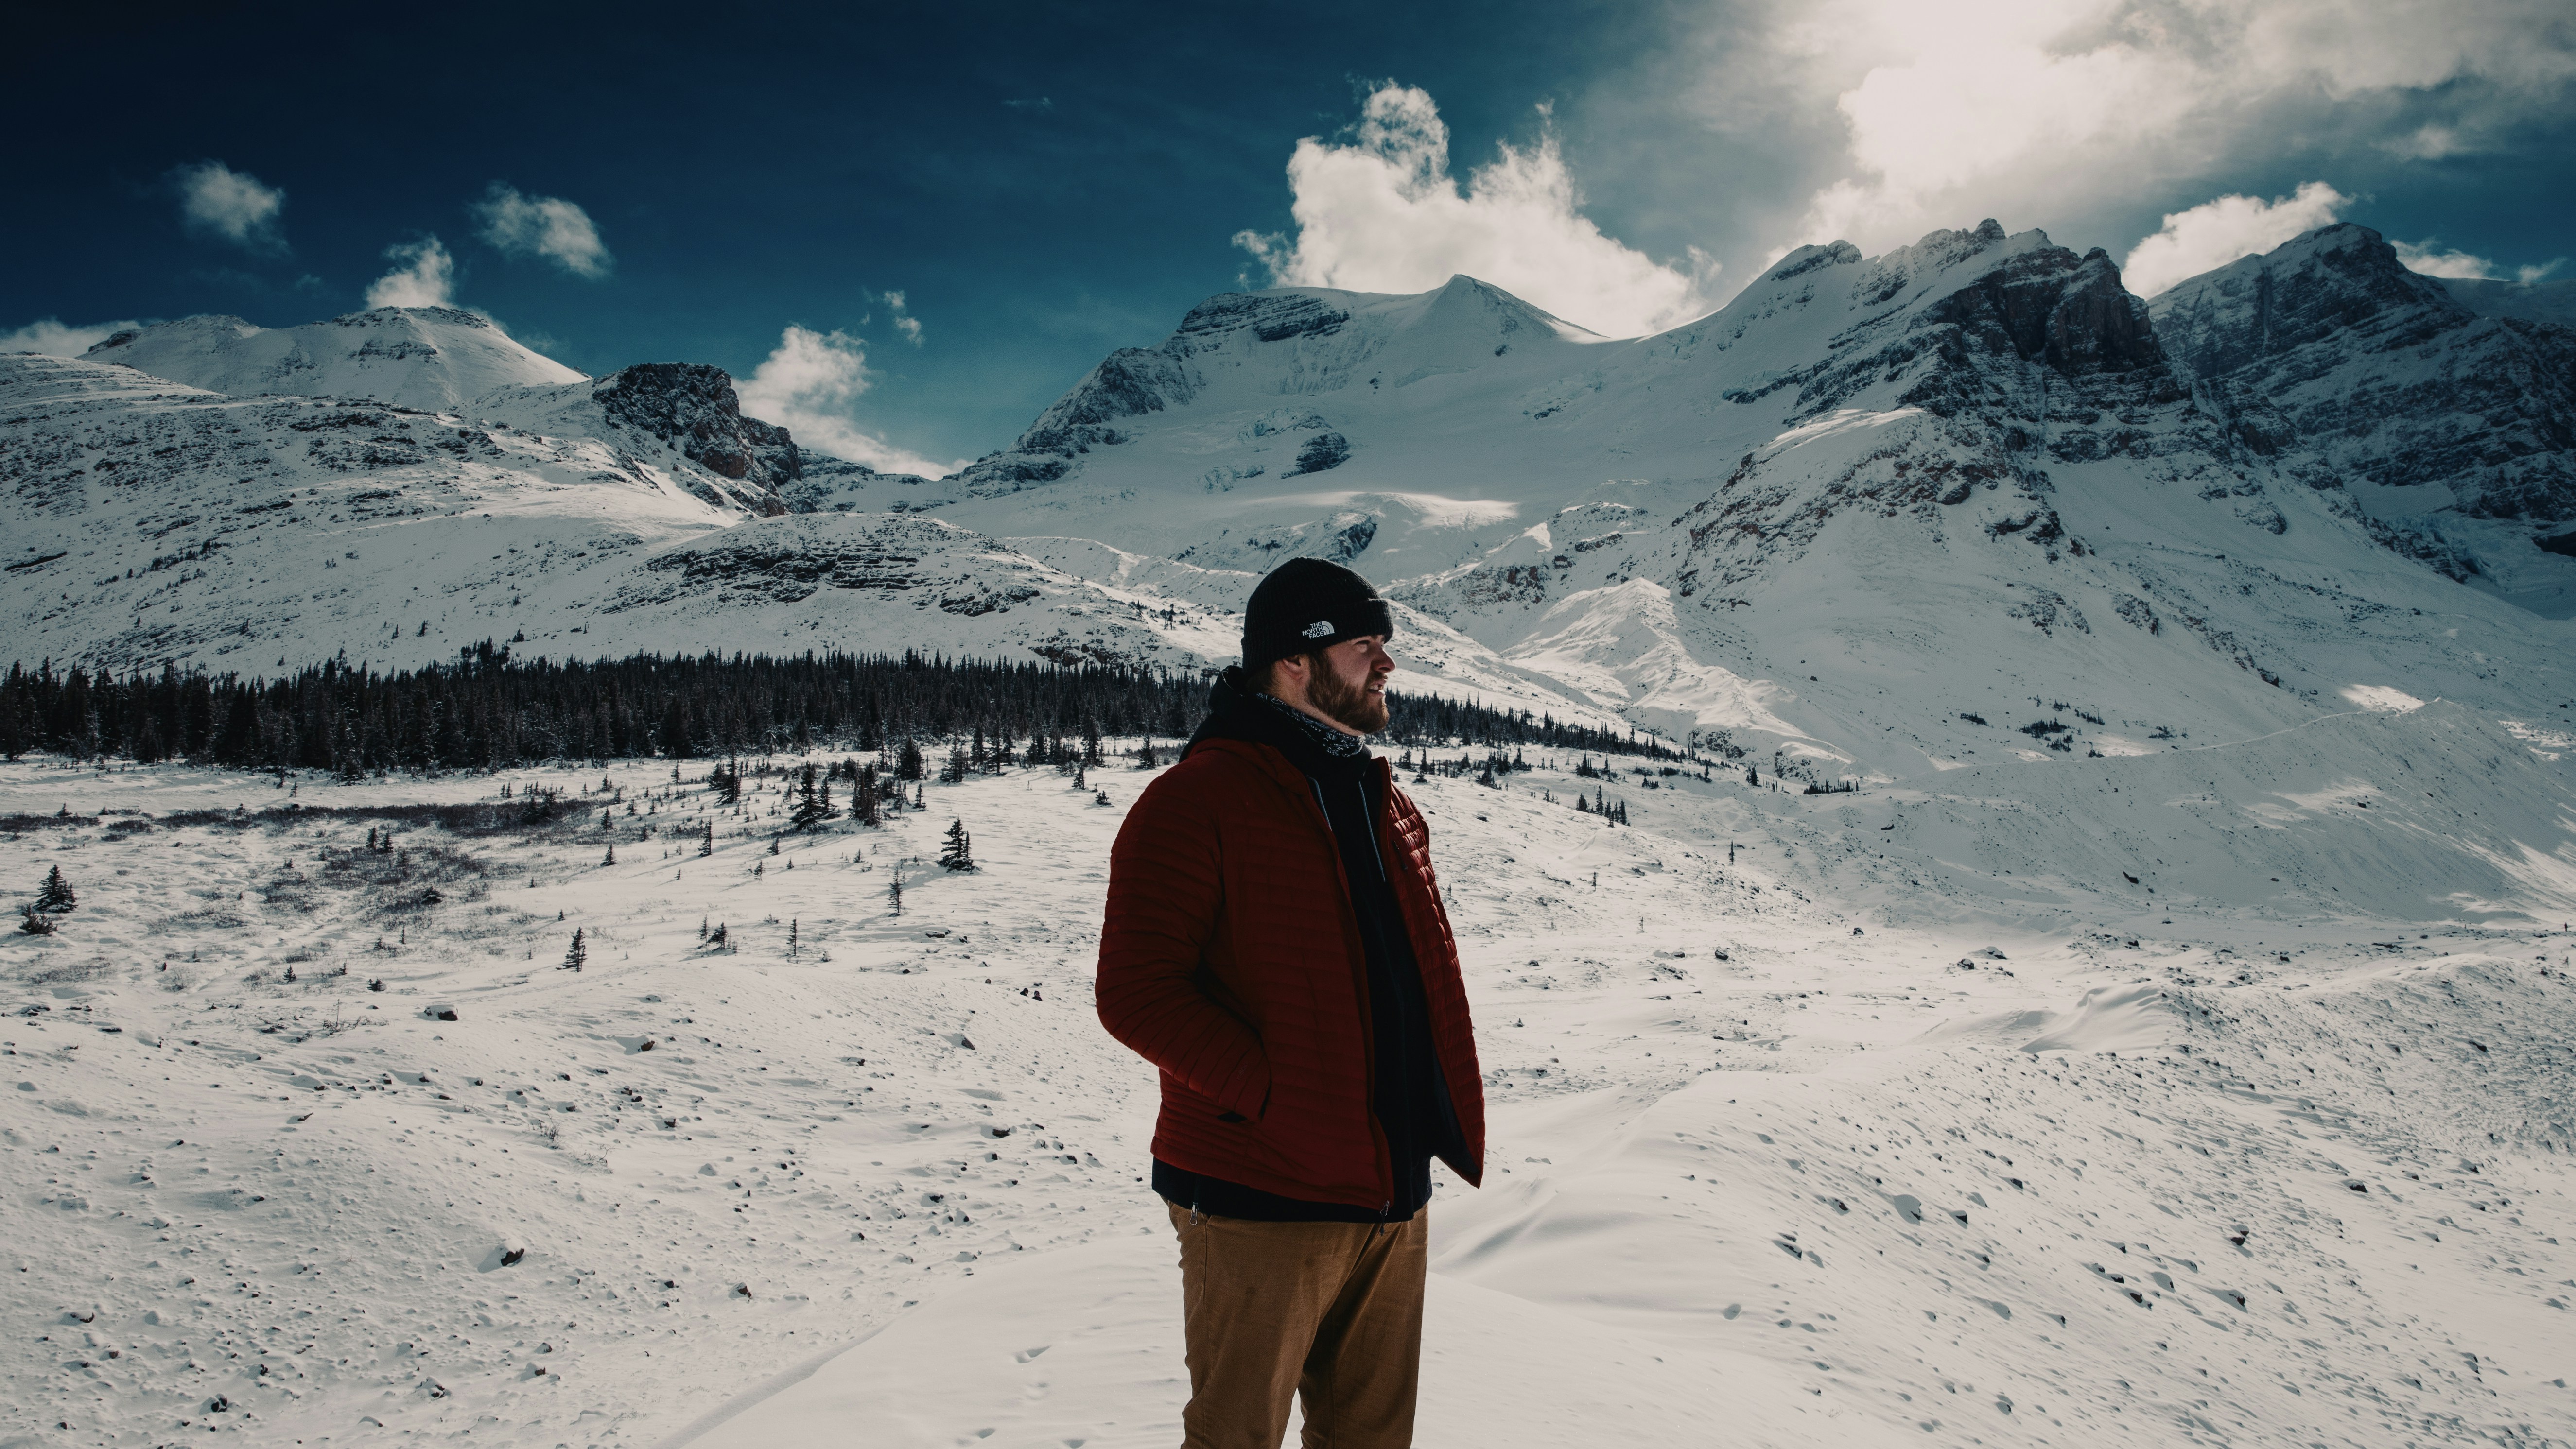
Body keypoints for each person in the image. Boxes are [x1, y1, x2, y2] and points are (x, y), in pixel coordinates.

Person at [1096, 556, 1486, 1449]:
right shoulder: (1197, 800)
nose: (1386, 663)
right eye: (1363, 645)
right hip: (1260, 1193)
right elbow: (1135, 991)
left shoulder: (1385, 803)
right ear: (1294, 661)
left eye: (1384, 643)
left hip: (1389, 1191)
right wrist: (1279, 1100)